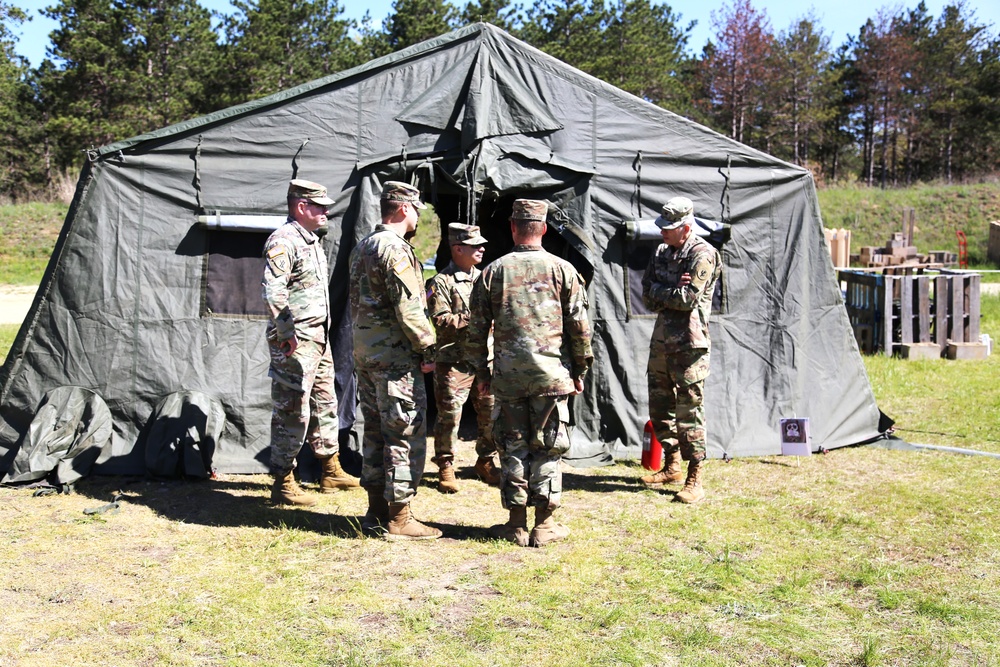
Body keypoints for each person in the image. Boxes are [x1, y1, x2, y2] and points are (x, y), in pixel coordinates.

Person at [467, 199, 593, 547]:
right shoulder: (564, 271)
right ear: (544, 229)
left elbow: (476, 330)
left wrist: (481, 372)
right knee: (548, 448)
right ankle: (545, 525)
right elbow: (580, 329)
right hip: (551, 378)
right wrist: (580, 369)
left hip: (507, 378)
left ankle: (516, 524)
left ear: (512, 227)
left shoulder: (493, 271)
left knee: (513, 448)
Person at [349, 180, 441, 540]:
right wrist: (429, 350)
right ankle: (399, 518)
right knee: (404, 434)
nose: (418, 217)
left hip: (367, 356)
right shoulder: (395, 249)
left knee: (374, 434)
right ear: (404, 208)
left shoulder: (363, 246)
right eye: (417, 210)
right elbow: (410, 310)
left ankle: (375, 510)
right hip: (394, 361)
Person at [262, 178, 360, 506]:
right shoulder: (284, 240)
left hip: (317, 338)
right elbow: (273, 291)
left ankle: (330, 470)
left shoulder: (311, 240)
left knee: (324, 403)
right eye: (320, 206)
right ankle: (283, 482)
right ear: (302, 207)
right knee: (292, 410)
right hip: (296, 341)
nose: (326, 211)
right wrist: (286, 333)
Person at [639, 196, 722, 504]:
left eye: (668, 228)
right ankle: (671, 464)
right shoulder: (661, 251)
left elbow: (688, 299)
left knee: (690, 411)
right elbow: (645, 296)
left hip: (690, 344)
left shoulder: (703, 254)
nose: (662, 232)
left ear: (686, 228)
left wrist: (666, 289)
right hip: (661, 341)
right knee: (660, 407)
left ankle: (695, 477)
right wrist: (671, 286)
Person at [426, 223, 500, 493]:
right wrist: (477, 319)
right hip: (454, 361)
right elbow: (440, 320)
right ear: (458, 249)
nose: (481, 249)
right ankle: (445, 466)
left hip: (485, 360)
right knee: (449, 417)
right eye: (474, 245)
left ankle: (485, 461)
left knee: (491, 414)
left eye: (482, 244)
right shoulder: (440, 282)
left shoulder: (486, 278)